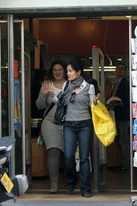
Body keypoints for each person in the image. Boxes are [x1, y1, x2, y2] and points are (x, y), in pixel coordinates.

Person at [49, 61, 98, 198]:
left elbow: (92, 105)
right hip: (69, 125)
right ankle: (71, 183)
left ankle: (86, 188)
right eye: (67, 71)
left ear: (78, 72)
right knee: (69, 156)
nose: (67, 73)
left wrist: (95, 102)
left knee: (84, 158)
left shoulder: (89, 87)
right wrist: (53, 94)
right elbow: (60, 103)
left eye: (70, 71)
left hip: (84, 124)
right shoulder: (66, 85)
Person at [35, 60, 67, 193]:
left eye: (60, 69)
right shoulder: (47, 85)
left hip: (68, 123)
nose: (58, 72)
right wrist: (43, 93)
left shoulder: (71, 85)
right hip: (50, 122)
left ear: (65, 71)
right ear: (51, 72)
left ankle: (70, 183)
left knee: (69, 155)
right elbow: (39, 106)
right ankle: (54, 184)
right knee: (53, 152)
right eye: (55, 70)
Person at [109, 63, 130, 171]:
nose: (120, 71)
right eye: (118, 68)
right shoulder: (117, 83)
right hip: (117, 115)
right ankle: (123, 163)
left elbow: (128, 100)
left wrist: (118, 103)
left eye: (122, 69)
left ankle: (125, 164)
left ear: (125, 71)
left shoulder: (126, 84)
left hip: (123, 116)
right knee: (119, 140)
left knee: (123, 140)